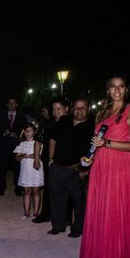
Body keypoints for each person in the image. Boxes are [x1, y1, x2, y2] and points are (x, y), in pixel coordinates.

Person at [75, 75, 130, 258]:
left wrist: (107, 144)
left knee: (118, 211)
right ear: (108, 90)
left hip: (123, 168)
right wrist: (89, 158)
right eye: (113, 87)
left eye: (121, 86)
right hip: (102, 167)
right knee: (101, 210)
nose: (117, 90)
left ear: (126, 89)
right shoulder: (103, 113)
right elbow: (97, 142)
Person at [47, 98, 94, 237]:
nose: (79, 111)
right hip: (57, 167)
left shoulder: (92, 126)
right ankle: (58, 226)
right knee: (56, 199)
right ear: (72, 108)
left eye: (83, 108)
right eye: (77, 108)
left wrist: (86, 170)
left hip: (76, 169)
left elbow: (95, 150)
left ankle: (77, 229)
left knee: (78, 201)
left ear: (88, 109)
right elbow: (53, 140)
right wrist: (50, 159)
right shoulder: (64, 121)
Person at [32, 97, 69, 224]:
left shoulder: (72, 123)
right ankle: (46, 214)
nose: (56, 112)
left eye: (59, 109)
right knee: (49, 188)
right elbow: (38, 141)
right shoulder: (48, 124)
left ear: (66, 109)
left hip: (67, 161)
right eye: (54, 110)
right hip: (50, 160)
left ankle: (66, 217)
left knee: (66, 189)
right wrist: (36, 159)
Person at [0, 98, 27, 196]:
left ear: (17, 104)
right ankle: (1, 189)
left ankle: (18, 189)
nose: (11, 105)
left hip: (17, 147)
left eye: (13, 103)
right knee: (1, 169)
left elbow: (26, 132)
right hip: (3, 147)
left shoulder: (22, 117)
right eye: (9, 103)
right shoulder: (1, 116)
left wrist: (18, 136)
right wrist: (3, 133)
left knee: (18, 169)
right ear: (7, 105)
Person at [13, 122, 44, 219]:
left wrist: (36, 156)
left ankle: (36, 213)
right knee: (26, 191)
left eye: (30, 130)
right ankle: (26, 213)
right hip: (26, 170)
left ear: (35, 132)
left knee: (36, 190)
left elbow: (44, 156)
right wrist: (23, 155)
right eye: (25, 131)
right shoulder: (22, 144)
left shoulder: (39, 144)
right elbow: (16, 158)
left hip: (36, 170)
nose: (27, 133)